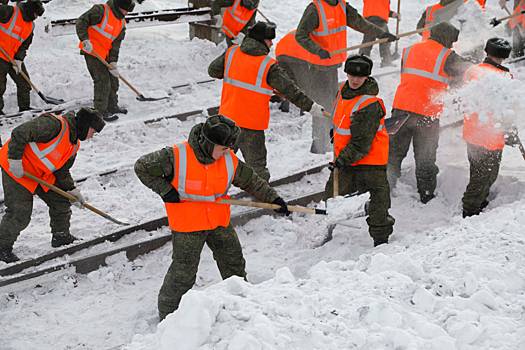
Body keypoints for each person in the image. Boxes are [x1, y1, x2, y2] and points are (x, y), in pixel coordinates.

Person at [134, 115, 291, 320]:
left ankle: (242, 300)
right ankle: (168, 316)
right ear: (208, 144)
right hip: (188, 224)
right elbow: (141, 167)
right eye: (224, 148)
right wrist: (165, 190)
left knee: (233, 260)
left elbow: (251, 180)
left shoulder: (228, 159)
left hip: (218, 221)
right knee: (183, 273)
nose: (229, 152)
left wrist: (274, 199)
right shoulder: (176, 156)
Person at [274, 0, 396, 154]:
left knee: (330, 101)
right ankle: (319, 145)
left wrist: (381, 33)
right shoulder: (315, 9)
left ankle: (326, 141)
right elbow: (301, 35)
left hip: (329, 64)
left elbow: (360, 22)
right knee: (321, 101)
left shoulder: (342, 6)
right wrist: (317, 50)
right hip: (302, 60)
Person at [208, 21, 323, 182]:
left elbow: (213, 70)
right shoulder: (268, 65)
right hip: (251, 126)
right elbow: (292, 91)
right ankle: (263, 201)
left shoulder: (232, 52)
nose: (271, 43)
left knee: (217, 161)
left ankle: (205, 192)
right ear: (261, 41)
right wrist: (313, 108)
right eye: (269, 40)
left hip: (227, 120)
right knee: (257, 168)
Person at [0, 108, 106, 263]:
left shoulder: (74, 144)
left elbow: (62, 170)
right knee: (19, 212)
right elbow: (20, 132)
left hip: (39, 173)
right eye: (93, 131)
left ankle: (61, 236)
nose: (92, 136)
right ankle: (2, 248)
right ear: (85, 125)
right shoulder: (54, 125)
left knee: (61, 200)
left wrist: (71, 190)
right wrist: (15, 159)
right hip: (16, 169)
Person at [387, 23, 471, 203]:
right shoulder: (447, 56)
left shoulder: (409, 50)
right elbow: (466, 72)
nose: (452, 46)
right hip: (427, 115)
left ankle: (384, 191)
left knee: (392, 155)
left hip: (401, 109)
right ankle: (426, 195)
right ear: (447, 39)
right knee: (425, 158)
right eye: (452, 42)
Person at [325, 55, 394, 246]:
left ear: (367, 77)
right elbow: (342, 120)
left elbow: (362, 143)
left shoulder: (369, 104)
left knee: (379, 205)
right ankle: (326, 232)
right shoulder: (342, 91)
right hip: (347, 159)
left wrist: (341, 160)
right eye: (351, 75)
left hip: (370, 163)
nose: (355, 80)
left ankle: (381, 241)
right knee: (331, 198)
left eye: (360, 77)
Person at [462, 38, 516, 217]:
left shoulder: (473, 70)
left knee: (479, 175)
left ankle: (478, 204)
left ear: (487, 51)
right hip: (491, 136)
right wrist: (510, 128)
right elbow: (506, 107)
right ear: (505, 56)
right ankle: (470, 212)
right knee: (485, 177)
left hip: (473, 134)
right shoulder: (504, 77)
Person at [76, 0, 134, 122]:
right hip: (91, 51)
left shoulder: (121, 23)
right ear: (119, 6)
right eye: (126, 10)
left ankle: (112, 106)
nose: (127, 13)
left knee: (113, 80)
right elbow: (81, 21)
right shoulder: (101, 11)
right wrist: (85, 40)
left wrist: (113, 62)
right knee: (102, 81)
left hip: (106, 55)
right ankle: (100, 112)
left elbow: (115, 45)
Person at [0, 0, 45, 115]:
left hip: (13, 58)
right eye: (35, 15)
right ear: (30, 10)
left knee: (24, 83)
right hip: (0, 55)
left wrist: (19, 59)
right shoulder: (10, 12)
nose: (35, 18)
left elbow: (25, 45)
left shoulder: (30, 26)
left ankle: (24, 108)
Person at [359, 0, 400, 66]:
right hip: (378, 20)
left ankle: (360, 60)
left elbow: (381, 8)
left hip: (369, 19)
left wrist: (392, 14)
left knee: (368, 41)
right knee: (385, 39)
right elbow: (377, 7)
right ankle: (386, 61)